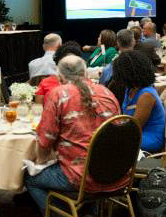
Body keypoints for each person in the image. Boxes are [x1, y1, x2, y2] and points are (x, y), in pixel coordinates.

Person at [25, 55, 124, 216]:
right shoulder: (107, 92)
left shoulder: (58, 94)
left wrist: (40, 163)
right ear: (85, 73)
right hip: (115, 173)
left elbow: (45, 141)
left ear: (59, 76)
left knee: (30, 178)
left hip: (81, 178)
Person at [113, 50, 165, 152]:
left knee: (111, 143)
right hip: (136, 132)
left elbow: (135, 127)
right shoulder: (130, 88)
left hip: (149, 137)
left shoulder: (147, 95)